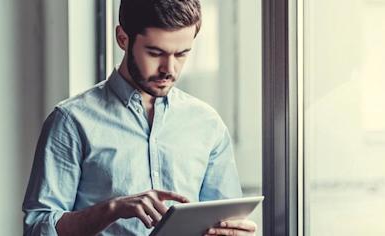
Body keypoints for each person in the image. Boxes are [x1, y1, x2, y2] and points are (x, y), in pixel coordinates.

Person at [22, 0, 257, 235]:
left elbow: (224, 220)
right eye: (156, 53)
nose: (169, 69)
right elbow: (38, 227)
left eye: (182, 54)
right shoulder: (71, 122)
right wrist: (113, 209)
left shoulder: (208, 124)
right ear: (123, 38)